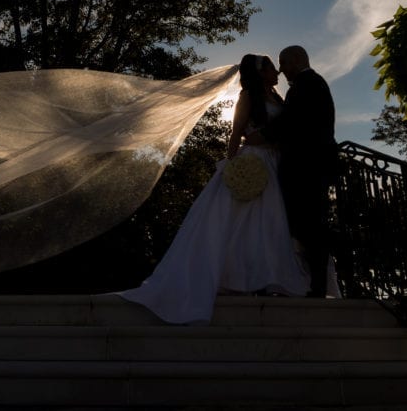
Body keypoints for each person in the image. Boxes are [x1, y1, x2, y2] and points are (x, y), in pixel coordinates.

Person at [114, 54, 317, 325]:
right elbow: (236, 132)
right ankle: (238, 277)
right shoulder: (248, 97)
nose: (277, 70)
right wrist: (231, 165)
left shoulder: (279, 98)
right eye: (270, 67)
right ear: (260, 72)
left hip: (276, 163)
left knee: (271, 223)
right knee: (246, 221)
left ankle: (270, 277)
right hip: (253, 161)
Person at [255, 45, 339, 298]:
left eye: (284, 63)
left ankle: (316, 285)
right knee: (302, 225)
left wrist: (262, 135)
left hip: (307, 167)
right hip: (307, 165)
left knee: (309, 225)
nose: (281, 69)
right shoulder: (308, 84)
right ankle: (306, 281)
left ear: (297, 60)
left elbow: (293, 120)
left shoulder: (308, 84)